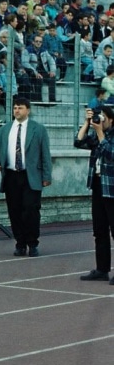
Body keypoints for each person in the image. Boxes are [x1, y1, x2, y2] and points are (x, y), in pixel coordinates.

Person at [0, 96, 52, 257]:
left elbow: (45, 154)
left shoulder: (38, 129)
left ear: (28, 110)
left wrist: (46, 175)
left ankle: (32, 243)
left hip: (31, 176)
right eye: (15, 108)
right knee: (15, 210)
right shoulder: (4, 130)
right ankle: (20, 243)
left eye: (20, 108)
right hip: (11, 175)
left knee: (31, 209)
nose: (17, 110)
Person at [74, 105, 114, 283]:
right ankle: (102, 269)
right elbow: (79, 142)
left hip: (112, 189)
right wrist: (87, 123)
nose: (100, 120)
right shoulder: (97, 135)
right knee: (99, 230)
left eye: (102, 117)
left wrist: (100, 133)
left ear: (111, 120)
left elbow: (110, 153)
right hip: (99, 187)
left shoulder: (108, 137)